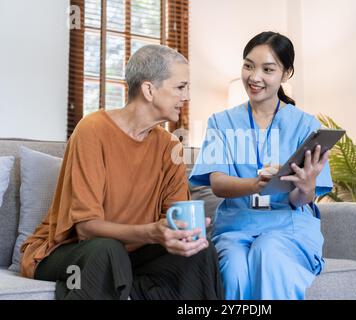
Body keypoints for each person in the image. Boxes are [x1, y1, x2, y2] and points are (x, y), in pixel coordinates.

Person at [20, 44, 224, 300]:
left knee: (199, 253)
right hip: (68, 251)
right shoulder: (92, 130)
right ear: (149, 90)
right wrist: (151, 231)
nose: (187, 96)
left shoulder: (169, 145)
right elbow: (86, 229)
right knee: (108, 251)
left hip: (132, 255)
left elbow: (174, 219)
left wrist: (184, 235)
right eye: (180, 87)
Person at [189, 31, 333, 300]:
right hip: (236, 227)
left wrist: (306, 185)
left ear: (286, 73)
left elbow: (302, 199)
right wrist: (257, 184)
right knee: (233, 271)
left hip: (287, 227)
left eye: (268, 69)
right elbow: (218, 184)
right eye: (248, 66)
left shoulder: (306, 125)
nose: (254, 77)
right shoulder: (222, 122)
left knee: (268, 252)